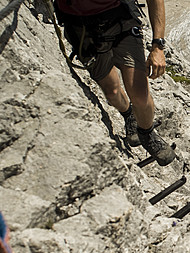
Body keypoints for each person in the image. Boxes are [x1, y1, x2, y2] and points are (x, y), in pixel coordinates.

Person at [54, 0, 175, 166]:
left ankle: (147, 133)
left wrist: (158, 46)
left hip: (120, 19)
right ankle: (129, 115)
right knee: (112, 94)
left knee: (139, 94)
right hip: (81, 29)